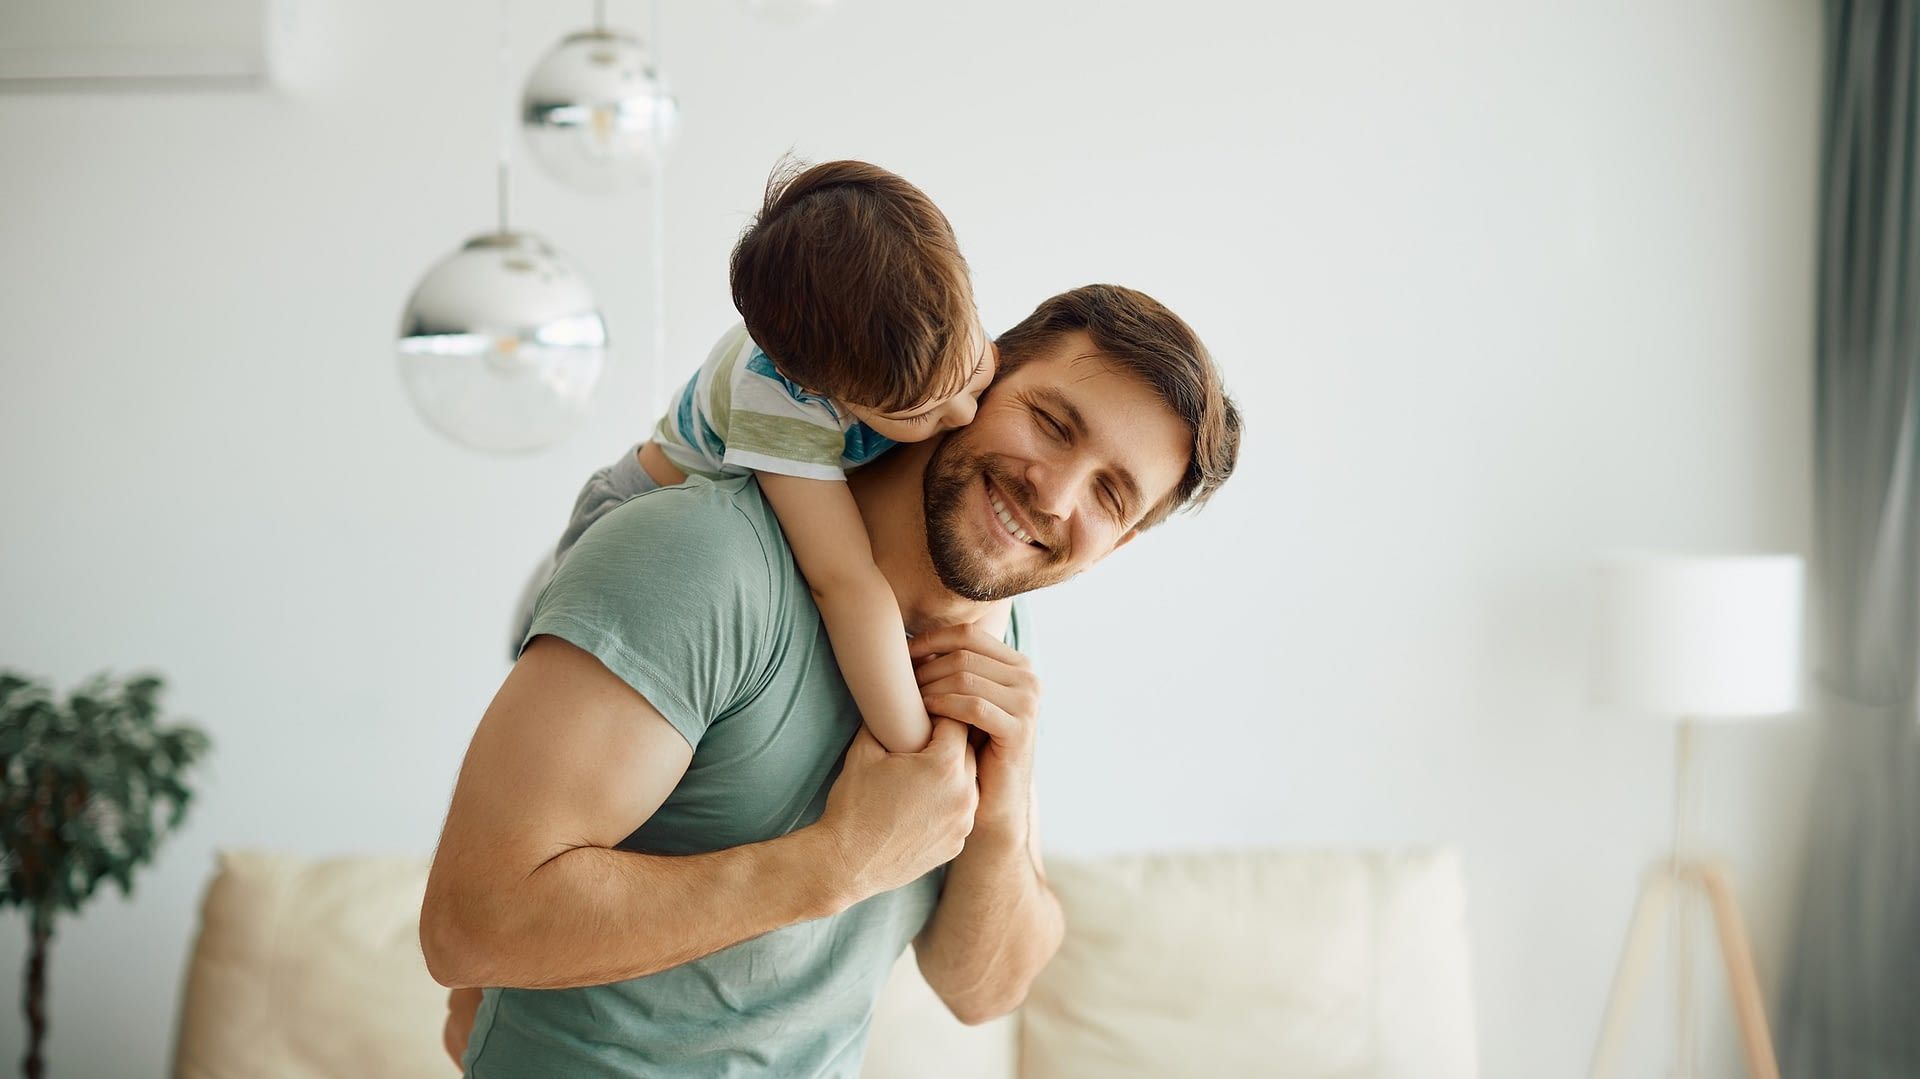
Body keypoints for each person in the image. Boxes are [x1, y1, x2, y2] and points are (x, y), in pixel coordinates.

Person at [421, 284, 1242, 1076]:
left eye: (1109, 493)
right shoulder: (703, 559)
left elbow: (983, 988)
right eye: (1053, 423)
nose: (1055, 493)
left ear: (1121, 542)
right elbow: (471, 923)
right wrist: (838, 861)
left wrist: (999, 805)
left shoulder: (999, 642)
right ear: (983, 376)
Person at [511, 158, 993, 757]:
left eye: (975, 370)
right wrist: (919, 751)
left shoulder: (933, 318)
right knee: (566, 717)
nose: (965, 416)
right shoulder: (779, 397)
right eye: (918, 415)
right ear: (820, 389)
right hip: (634, 524)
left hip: (735, 527)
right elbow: (844, 583)